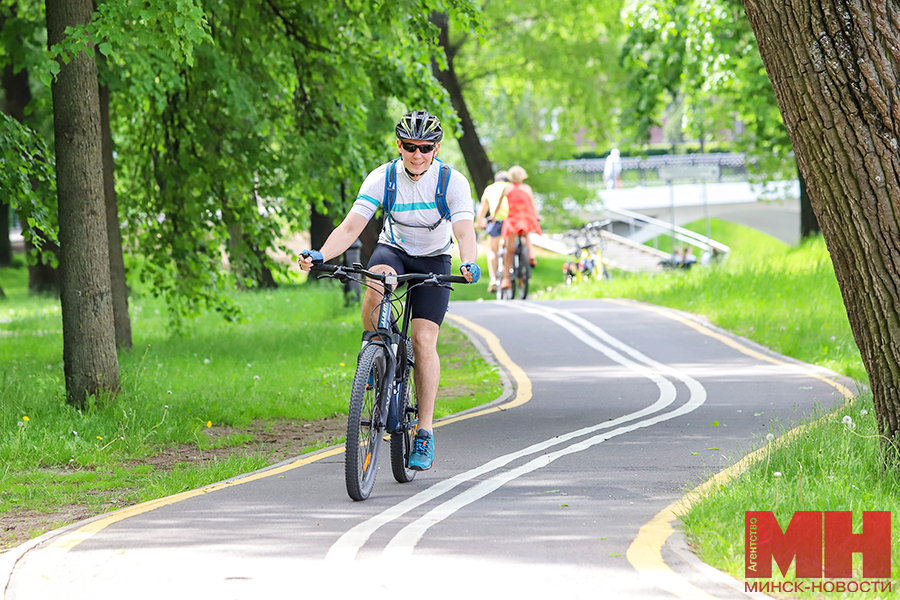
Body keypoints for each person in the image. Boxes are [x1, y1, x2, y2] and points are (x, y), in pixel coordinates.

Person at [298, 110, 480, 471]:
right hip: (393, 250)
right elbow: (351, 227)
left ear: (436, 148)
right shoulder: (383, 177)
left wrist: (469, 262)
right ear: (399, 146)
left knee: (424, 340)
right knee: (376, 279)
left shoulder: (452, 182)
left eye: (425, 148)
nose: (417, 155)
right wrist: (319, 253)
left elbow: (464, 231)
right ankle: (376, 347)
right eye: (410, 147)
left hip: (433, 259)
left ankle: (424, 432)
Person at [499, 165, 541, 291]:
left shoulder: (507, 188)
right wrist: (537, 216)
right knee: (526, 235)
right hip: (526, 218)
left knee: (509, 250)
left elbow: (499, 206)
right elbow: (532, 205)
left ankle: (506, 278)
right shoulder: (527, 188)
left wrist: (493, 216)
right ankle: (531, 255)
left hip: (513, 220)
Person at [474, 170, 510, 293]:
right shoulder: (511, 187)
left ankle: (493, 279)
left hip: (495, 222)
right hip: (510, 223)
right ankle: (508, 276)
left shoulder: (490, 189)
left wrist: (478, 223)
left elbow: (483, 208)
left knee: (493, 251)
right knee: (509, 250)